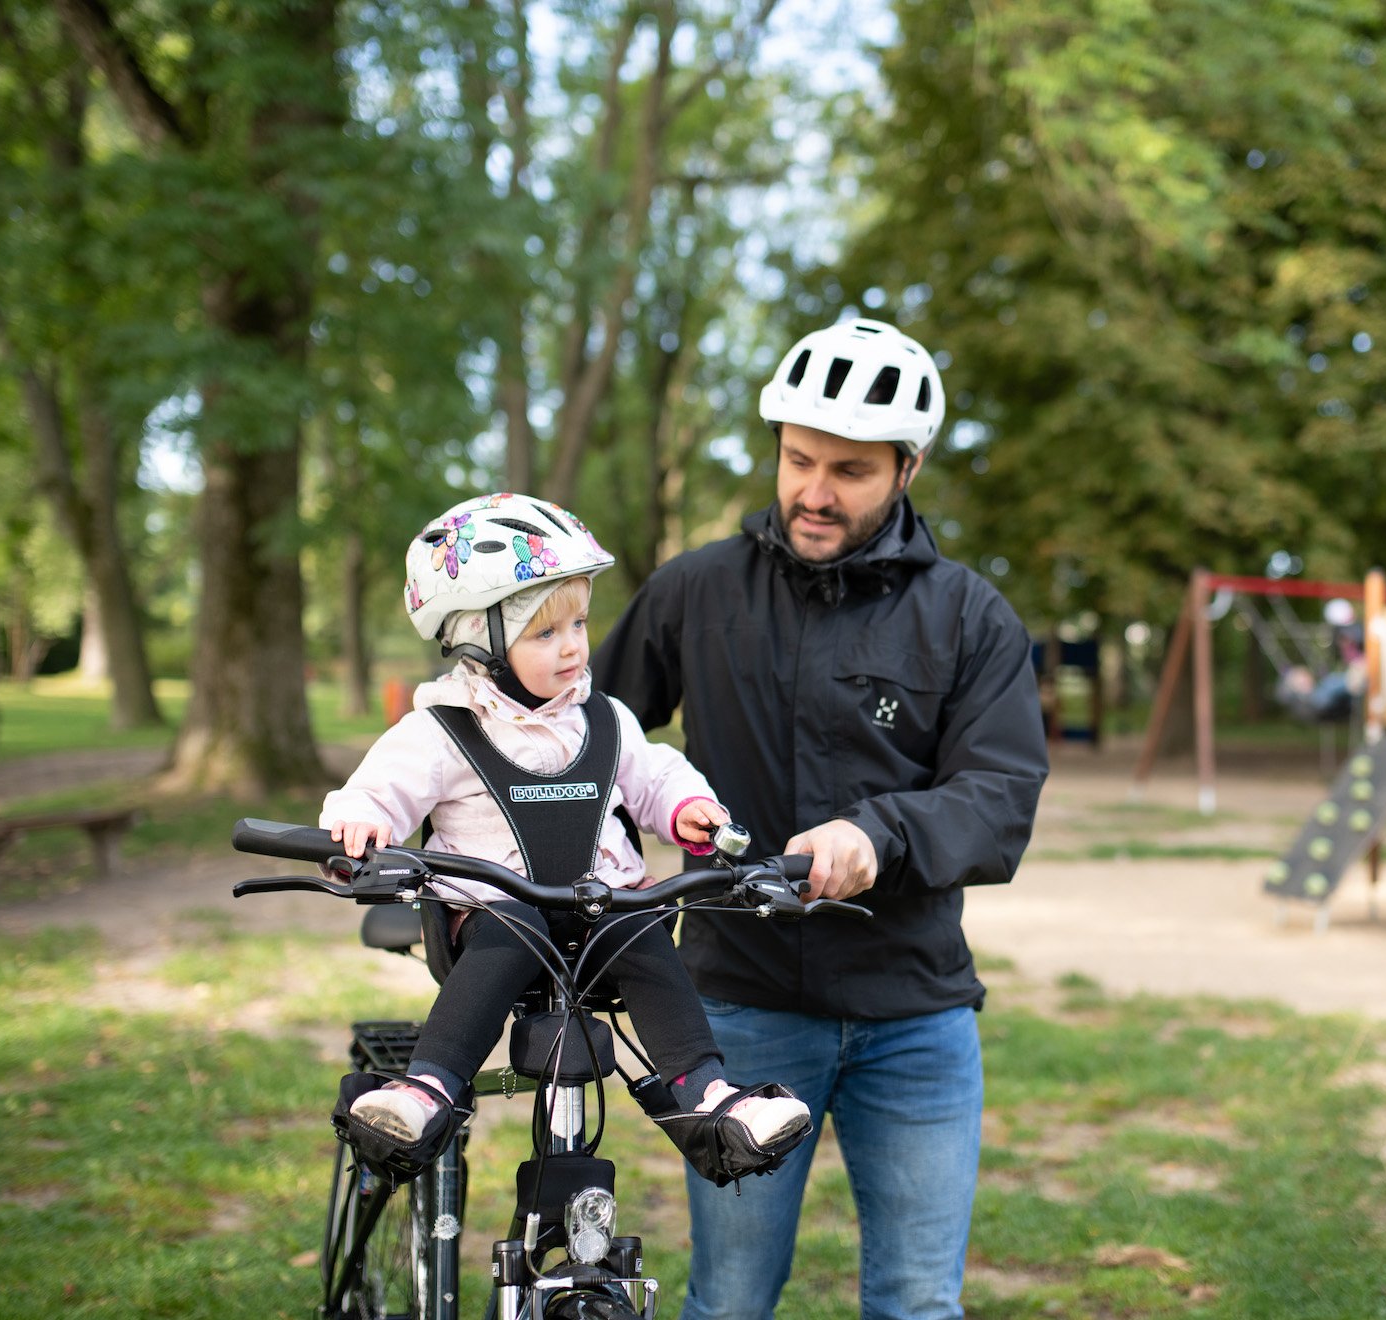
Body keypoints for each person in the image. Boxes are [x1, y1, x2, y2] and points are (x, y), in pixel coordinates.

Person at [594, 319, 1050, 1319]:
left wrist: (877, 834)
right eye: (798, 458)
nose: (813, 490)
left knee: (917, 1305)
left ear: (908, 466)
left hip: (915, 1016)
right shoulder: (695, 591)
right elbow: (588, 737)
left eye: (849, 469)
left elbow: (997, 798)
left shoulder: (971, 619)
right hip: (742, 1008)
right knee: (730, 1301)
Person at [319, 492, 810, 1185]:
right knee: (510, 924)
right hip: (494, 920)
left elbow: (655, 774)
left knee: (641, 925)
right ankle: (427, 1089)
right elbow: (384, 786)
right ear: (477, 638)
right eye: (544, 633)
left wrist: (688, 807)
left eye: (578, 621)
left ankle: (708, 1095)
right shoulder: (445, 729)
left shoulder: (604, 719)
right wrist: (363, 822)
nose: (575, 644)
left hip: (597, 918)